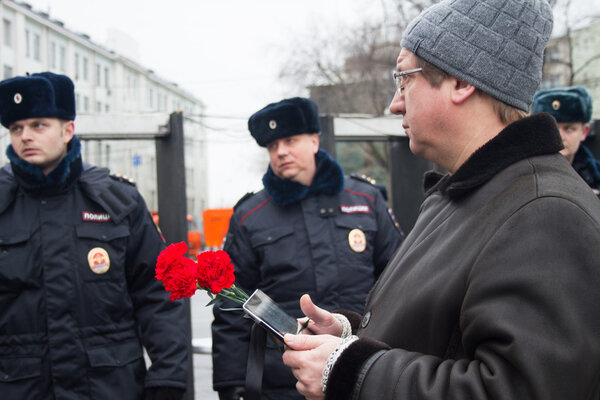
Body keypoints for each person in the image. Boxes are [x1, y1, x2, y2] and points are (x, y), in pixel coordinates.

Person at [281, 1, 600, 399]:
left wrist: (348, 371)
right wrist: (347, 338)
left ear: (461, 82)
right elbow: (443, 337)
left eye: (404, 79)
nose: (395, 103)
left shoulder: (547, 212)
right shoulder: (468, 195)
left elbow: (520, 388)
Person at [0, 72, 188, 400]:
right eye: (17, 128)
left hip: (109, 387)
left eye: (38, 125)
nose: (25, 136)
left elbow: (157, 294)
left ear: (67, 129)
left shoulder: (116, 200)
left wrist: (168, 378)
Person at [211, 97, 404, 400]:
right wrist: (232, 384)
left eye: (290, 140)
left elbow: (400, 281)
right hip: (285, 381)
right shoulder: (250, 216)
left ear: (314, 141)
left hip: (362, 371)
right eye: (273, 146)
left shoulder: (365, 200)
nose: (281, 152)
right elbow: (231, 307)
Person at [533, 86, 600, 197]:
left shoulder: (595, 175)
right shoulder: (520, 173)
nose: (560, 137)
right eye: (551, 128)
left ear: (584, 132)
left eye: (569, 129)